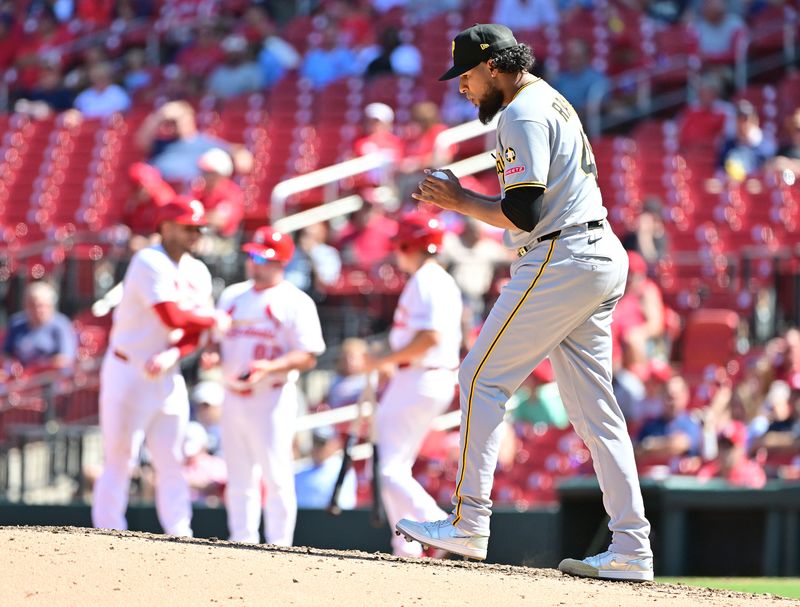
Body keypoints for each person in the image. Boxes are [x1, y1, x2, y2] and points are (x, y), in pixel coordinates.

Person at [395, 24, 653, 581]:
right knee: (596, 414)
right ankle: (632, 545)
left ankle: (468, 522)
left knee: (480, 378)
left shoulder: (521, 112)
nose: (462, 88)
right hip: (596, 250)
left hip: (562, 254)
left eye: (466, 75)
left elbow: (524, 213)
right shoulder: (550, 98)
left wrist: (459, 200)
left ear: (492, 66)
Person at [92, 197, 229, 537]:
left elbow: (194, 331)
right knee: (120, 458)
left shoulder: (198, 270)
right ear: (166, 227)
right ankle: (108, 532)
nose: (195, 233)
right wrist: (213, 318)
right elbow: (171, 315)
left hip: (166, 375)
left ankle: (180, 533)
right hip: (127, 371)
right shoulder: (148, 260)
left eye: (199, 227)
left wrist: (173, 354)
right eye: (188, 227)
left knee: (172, 459)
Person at [203, 226, 325, 545]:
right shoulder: (233, 295)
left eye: (262, 257)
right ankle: (241, 539)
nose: (254, 262)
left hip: (271, 396)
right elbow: (217, 341)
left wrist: (270, 367)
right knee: (239, 475)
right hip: (232, 394)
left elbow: (309, 355)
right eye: (252, 255)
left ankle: (279, 543)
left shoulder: (295, 301)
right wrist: (212, 355)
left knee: (276, 474)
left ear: (281, 262)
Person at [363, 211, 462, 557]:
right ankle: (406, 545)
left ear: (409, 244)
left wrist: (382, 361)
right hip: (422, 375)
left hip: (422, 375)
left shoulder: (427, 280)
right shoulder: (430, 278)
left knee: (388, 469)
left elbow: (429, 338)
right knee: (394, 467)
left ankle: (437, 525)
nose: (396, 251)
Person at [2, 281, 77, 378]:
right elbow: (5, 353)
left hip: (48, 381)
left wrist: (38, 369)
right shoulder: (16, 323)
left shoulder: (61, 325)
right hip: (19, 379)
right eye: (32, 305)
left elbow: (65, 358)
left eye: (41, 306)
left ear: (50, 306)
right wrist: (13, 367)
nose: (37, 310)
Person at [295, 425, 357, 510]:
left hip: (329, 521)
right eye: (315, 443)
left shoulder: (341, 469)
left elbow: (344, 506)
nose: (318, 448)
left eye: (322, 444)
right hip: (302, 520)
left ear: (334, 444)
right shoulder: (300, 470)